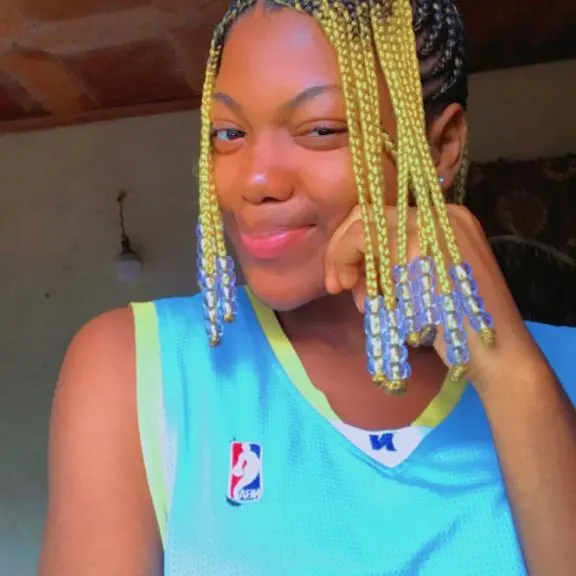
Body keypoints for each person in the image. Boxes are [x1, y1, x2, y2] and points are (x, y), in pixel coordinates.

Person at [39, 0, 576, 574]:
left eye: (320, 129)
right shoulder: (135, 367)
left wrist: (513, 375)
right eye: (228, 133)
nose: (256, 180)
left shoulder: (557, 372)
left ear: (441, 147)